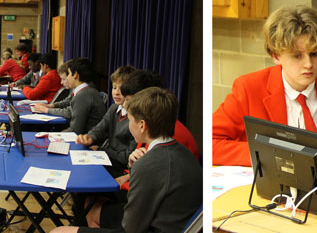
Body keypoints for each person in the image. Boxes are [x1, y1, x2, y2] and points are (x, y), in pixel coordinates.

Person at [213, 4, 317, 183]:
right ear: (276, 56)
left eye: (314, 54)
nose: (308, 64)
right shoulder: (248, 88)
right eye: (297, 56)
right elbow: (211, 142)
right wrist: (262, 152)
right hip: (275, 191)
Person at [54, 87, 202, 233]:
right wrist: (134, 167)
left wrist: (139, 168)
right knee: (93, 205)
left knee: (59, 231)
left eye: (130, 119)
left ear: (142, 125)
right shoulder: (184, 153)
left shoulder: (148, 163)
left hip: (147, 226)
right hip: (168, 220)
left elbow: (131, 226)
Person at [76, 65, 137, 175]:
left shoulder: (136, 119)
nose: (116, 92)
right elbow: (100, 129)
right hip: (107, 158)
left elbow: (127, 157)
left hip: (120, 167)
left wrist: (101, 150)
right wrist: (89, 137)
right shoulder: (114, 108)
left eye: (121, 89)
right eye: (114, 87)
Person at [34, 57, 104, 134]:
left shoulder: (83, 95)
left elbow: (74, 131)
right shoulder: (85, 92)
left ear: (75, 75)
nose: (67, 78)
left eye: (69, 74)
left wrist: (52, 135)